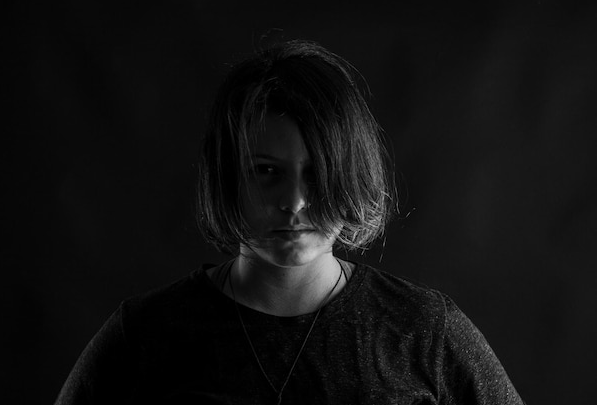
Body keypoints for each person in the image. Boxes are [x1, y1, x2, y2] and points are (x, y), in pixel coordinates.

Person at [55, 40, 524, 404]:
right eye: (266, 171)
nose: (295, 202)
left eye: (316, 173)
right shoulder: (145, 336)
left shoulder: (423, 331)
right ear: (227, 176)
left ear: (351, 174)